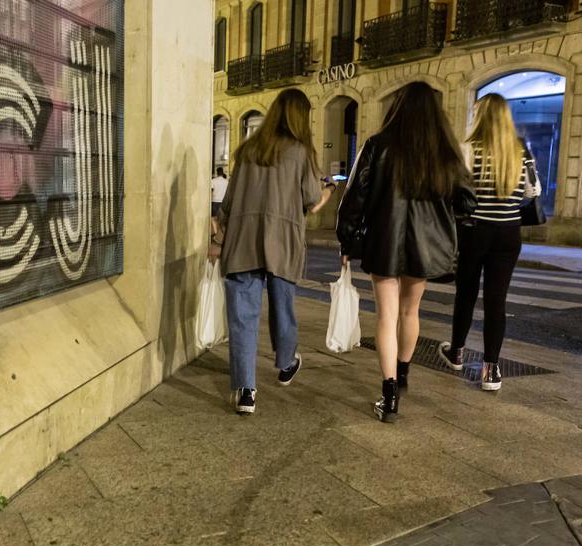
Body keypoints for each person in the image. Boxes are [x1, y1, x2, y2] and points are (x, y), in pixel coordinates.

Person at [337, 81, 475, 423]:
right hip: (426, 246)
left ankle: (388, 394)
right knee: (410, 312)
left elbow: (355, 198)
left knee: (386, 315)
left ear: (396, 108)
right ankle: (403, 373)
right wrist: (444, 219)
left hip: (385, 241)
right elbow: (467, 201)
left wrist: (348, 239)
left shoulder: (377, 145)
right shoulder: (445, 152)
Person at [215, 88, 336, 415]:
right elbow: (310, 202)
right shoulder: (302, 152)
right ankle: (285, 362)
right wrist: (328, 189)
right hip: (282, 241)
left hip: (244, 239)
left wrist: (219, 233)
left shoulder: (249, 149)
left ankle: (245, 391)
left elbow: (227, 205)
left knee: (243, 314)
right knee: (283, 306)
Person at [438, 94, 541, 391]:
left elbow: (454, 190)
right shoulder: (521, 152)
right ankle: (491, 370)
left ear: (480, 117)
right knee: (497, 300)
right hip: (509, 233)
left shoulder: (467, 150)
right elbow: (532, 192)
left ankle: (456, 351)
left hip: (474, 230)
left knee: (466, 293)